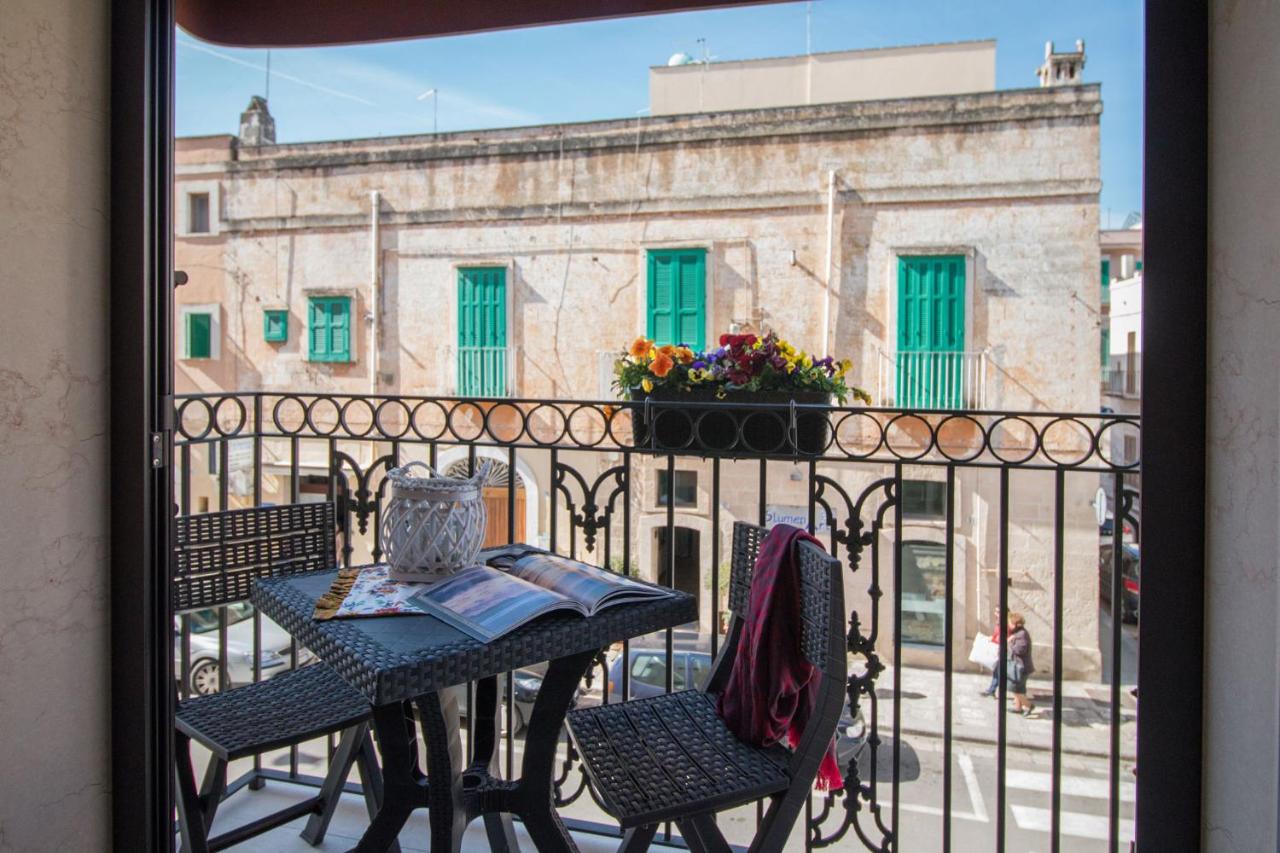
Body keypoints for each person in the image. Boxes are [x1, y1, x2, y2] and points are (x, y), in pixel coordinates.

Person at [1006, 611, 1036, 716]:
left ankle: (1028, 705)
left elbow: (1020, 650)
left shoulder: (1021, 634)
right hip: (1019, 666)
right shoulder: (1018, 633)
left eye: (1010, 623)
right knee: (1020, 688)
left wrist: (1009, 643)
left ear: (1015, 624)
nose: (1008, 625)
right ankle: (1018, 708)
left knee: (1015, 688)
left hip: (1021, 667)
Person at [980, 607, 1005, 697]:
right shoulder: (998, 622)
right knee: (996, 670)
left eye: (998, 611)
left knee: (998, 671)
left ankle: (992, 690)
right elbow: (997, 634)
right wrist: (992, 638)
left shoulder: (1005, 622)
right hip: (996, 647)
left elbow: (1005, 636)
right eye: (995, 611)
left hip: (1001, 648)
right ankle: (992, 690)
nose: (996, 613)